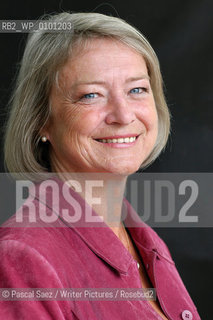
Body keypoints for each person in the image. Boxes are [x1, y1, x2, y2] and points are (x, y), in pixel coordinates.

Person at [0, 12, 200, 320]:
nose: (123, 115)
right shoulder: (22, 257)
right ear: (41, 120)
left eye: (137, 90)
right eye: (91, 95)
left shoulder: (146, 243)